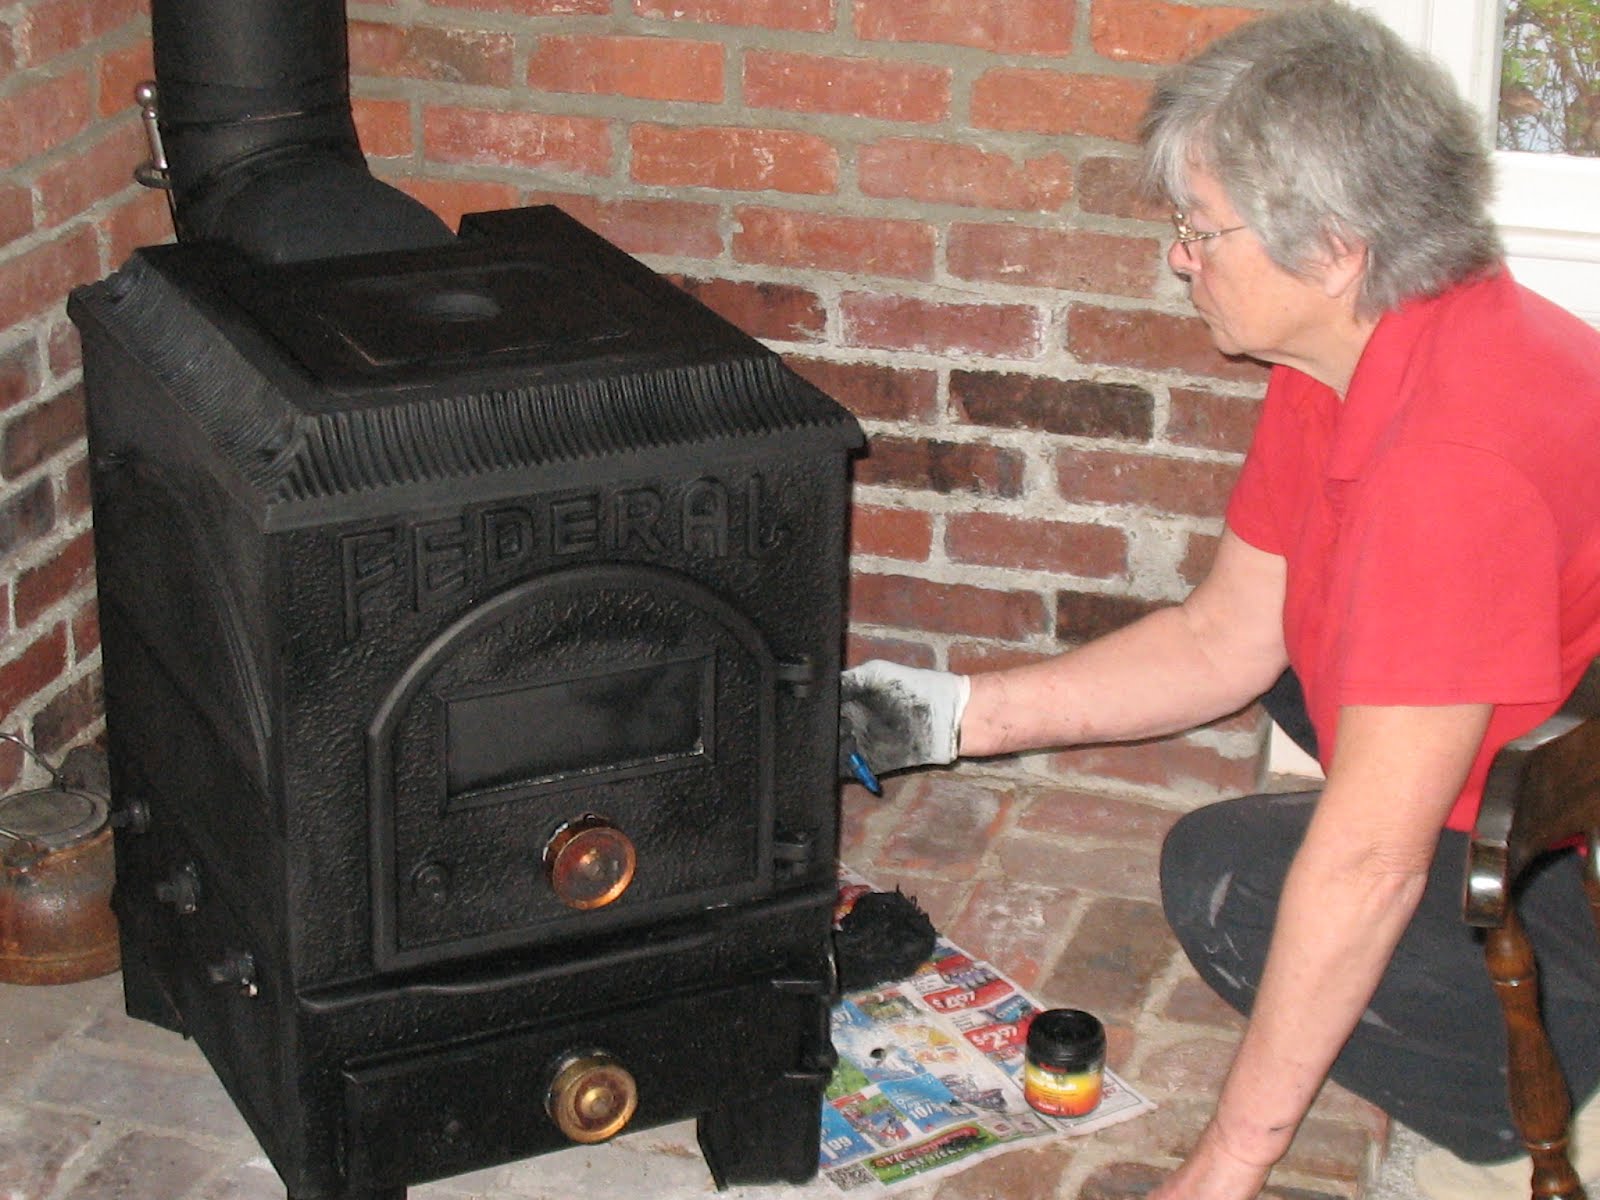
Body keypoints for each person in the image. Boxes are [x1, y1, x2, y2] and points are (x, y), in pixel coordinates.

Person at [837, 5, 1600, 1199]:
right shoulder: (1345, 354)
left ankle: (1538, 1067)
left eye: (1200, 229)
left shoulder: (1450, 469)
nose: (1180, 257)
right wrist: (934, 716)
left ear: (1334, 246)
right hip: (1522, 727)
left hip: (1559, 861)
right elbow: (1223, 638)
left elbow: (1366, 865)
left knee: (1228, 879)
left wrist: (1227, 1161)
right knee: (1298, 679)